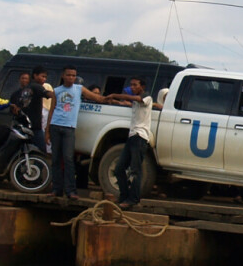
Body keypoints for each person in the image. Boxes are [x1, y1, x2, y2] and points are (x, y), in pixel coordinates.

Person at [46, 66, 107, 199]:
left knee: (68, 159)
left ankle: (71, 191)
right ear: (63, 76)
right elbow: (52, 110)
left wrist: (113, 98)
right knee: (56, 159)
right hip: (56, 126)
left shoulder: (79, 89)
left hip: (69, 127)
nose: (71, 78)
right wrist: (47, 131)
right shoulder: (57, 91)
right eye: (69, 75)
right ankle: (56, 189)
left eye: (73, 75)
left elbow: (97, 98)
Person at [106, 77, 162, 209]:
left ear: (142, 86)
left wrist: (115, 94)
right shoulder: (136, 101)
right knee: (119, 168)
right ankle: (124, 196)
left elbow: (137, 100)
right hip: (132, 136)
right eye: (131, 85)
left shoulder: (146, 97)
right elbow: (128, 103)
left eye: (135, 85)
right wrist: (111, 100)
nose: (132, 87)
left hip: (140, 137)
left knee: (136, 170)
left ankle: (133, 198)